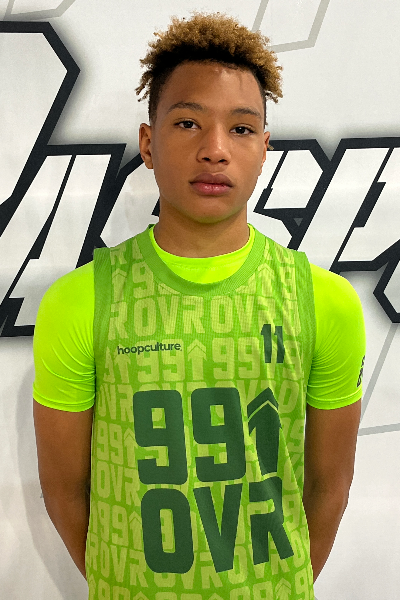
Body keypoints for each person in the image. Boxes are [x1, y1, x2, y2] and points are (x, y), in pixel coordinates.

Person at [33, 12, 365, 600]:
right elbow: (63, 491)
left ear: (265, 149)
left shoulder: (325, 301)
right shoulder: (80, 301)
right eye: (187, 122)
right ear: (148, 143)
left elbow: (330, 486)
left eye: (241, 129)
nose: (215, 150)